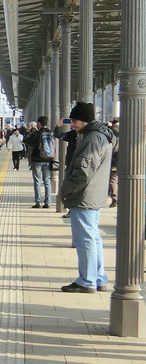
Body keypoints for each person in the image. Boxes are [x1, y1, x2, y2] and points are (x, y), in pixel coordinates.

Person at [58, 102, 117, 293]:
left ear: (83, 120)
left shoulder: (92, 138)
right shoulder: (101, 136)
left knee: (85, 239)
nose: (72, 124)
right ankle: (98, 278)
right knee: (93, 237)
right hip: (93, 194)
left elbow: (83, 171)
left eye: (74, 121)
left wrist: (65, 190)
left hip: (84, 195)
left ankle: (87, 280)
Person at [25, 116, 54, 208]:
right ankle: (48, 202)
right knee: (47, 181)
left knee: (37, 181)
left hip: (37, 160)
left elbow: (26, 141)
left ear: (39, 124)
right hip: (48, 160)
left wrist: (28, 132)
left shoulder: (37, 134)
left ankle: (38, 202)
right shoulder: (50, 133)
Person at [108, 117, 119, 206]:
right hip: (128, 160)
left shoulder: (112, 134)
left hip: (115, 159)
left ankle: (115, 198)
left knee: (113, 179)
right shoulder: (127, 133)